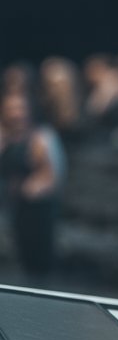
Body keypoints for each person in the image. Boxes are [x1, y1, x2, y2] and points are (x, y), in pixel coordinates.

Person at [0, 89, 66, 278]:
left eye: (20, 108)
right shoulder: (5, 137)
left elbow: (52, 177)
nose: (15, 113)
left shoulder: (41, 137)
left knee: (35, 267)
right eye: (11, 108)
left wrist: (29, 189)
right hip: (10, 209)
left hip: (35, 213)